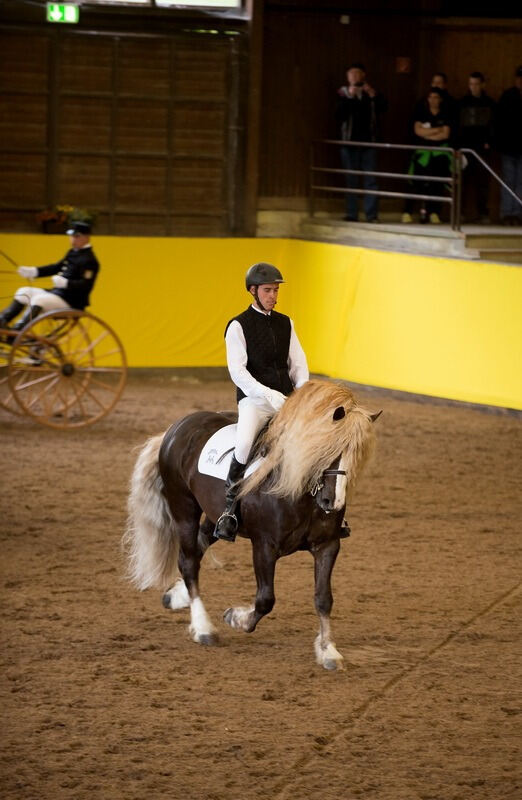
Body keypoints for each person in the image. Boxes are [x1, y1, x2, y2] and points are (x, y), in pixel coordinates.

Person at [214, 262, 309, 543]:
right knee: (244, 443)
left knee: (317, 442)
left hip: (288, 401)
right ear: (253, 291)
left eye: (276, 290)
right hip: (254, 401)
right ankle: (229, 509)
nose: (273, 296)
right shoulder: (238, 326)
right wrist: (266, 393)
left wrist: (302, 393)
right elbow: (238, 372)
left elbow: (299, 365)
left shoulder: (286, 323)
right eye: (268, 290)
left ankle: (322, 506)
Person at [0, 221, 99, 332]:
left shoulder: (90, 260)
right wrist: (33, 271)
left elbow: (86, 285)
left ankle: (18, 330)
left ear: (87, 237)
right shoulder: (73, 252)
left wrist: (66, 283)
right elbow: (56, 267)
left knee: (39, 299)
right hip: (57, 294)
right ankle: (3, 321)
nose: (72, 239)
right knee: (23, 292)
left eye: (77, 236)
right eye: (71, 236)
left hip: (71, 301)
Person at [335, 63, 387, 223]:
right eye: (351, 74)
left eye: (357, 74)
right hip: (349, 143)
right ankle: (352, 214)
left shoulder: (370, 93)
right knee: (351, 180)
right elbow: (339, 115)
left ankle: (371, 215)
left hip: (369, 143)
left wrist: (373, 95)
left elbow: (383, 108)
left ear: (363, 75)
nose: (354, 77)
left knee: (371, 179)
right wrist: (350, 97)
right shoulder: (343, 93)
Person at [402, 87, 452, 224]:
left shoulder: (445, 114)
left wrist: (428, 133)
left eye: (436, 97)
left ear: (440, 100)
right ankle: (407, 211)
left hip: (439, 154)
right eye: (431, 97)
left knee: (437, 184)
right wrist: (436, 131)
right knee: (416, 182)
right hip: (422, 154)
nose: (433, 100)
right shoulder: (421, 113)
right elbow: (418, 131)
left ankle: (434, 212)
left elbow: (445, 134)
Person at [457, 71, 496, 223]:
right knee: (463, 182)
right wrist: (458, 148)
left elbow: (494, 126)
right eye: (471, 84)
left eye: (476, 84)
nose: (473, 87)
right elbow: (458, 127)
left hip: (482, 148)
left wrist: (489, 142)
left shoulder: (490, 103)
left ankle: (483, 213)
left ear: (482, 85)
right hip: (466, 148)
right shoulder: (462, 103)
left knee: (483, 182)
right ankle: (460, 213)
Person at [495, 65, 522, 226]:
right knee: (508, 180)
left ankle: (518, 212)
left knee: (521, 182)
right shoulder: (508, 96)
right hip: (508, 146)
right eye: (519, 78)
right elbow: (499, 121)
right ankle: (506, 213)